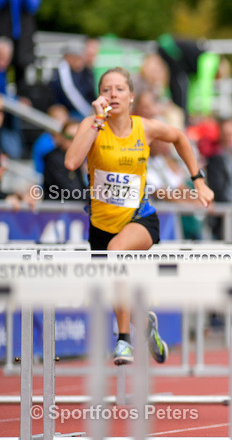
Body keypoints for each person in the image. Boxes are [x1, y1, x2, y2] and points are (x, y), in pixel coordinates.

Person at [64, 67, 215, 365]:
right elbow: (71, 162)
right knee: (117, 290)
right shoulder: (91, 125)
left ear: (131, 96)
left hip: (141, 220)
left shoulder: (144, 128)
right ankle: (145, 325)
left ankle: (123, 342)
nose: (113, 94)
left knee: (116, 252)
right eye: (106, 89)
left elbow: (180, 138)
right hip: (101, 226)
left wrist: (198, 180)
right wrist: (96, 122)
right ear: (99, 96)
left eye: (120, 89)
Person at [0, 0, 42, 96]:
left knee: (22, 76)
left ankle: (20, 110)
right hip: (4, 39)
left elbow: (33, 6)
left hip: (23, 40)